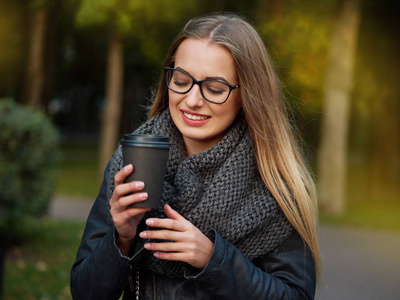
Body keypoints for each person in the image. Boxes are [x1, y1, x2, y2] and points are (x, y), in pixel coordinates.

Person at [71, 12, 319, 300]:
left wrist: (214, 260)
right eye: (181, 80)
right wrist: (121, 239)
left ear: (248, 94)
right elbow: (84, 292)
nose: (192, 100)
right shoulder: (129, 166)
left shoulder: (276, 184)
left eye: (215, 88)